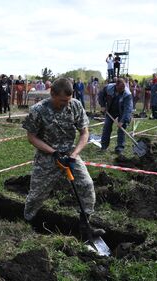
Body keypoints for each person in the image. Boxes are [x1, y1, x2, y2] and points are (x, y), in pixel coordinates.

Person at [22, 77, 104, 238]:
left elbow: (84, 133)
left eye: (68, 100)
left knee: (86, 185)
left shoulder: (75, 105)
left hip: (70, 155)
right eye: (61, 101)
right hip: (47, 156)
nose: (65, 104)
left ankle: (85, 225)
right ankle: (27, 222)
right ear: (52, 93)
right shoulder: (38, 110)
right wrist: (53, 152)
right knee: (37, 194)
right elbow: (31, 137)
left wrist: (74, 155)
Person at [100, 78, 133, 154]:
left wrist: (122, 121)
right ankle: (104, 147)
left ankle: (119, 148)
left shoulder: (127, 94)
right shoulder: (108, 88)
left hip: (122, 111)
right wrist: (102, 105)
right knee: (107, 127)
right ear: (115, 86)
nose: (119, 91)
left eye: (121, 90)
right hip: (111, 110)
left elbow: (128, 109)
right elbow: (101, 95)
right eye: (118, 90)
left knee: (122, 129)